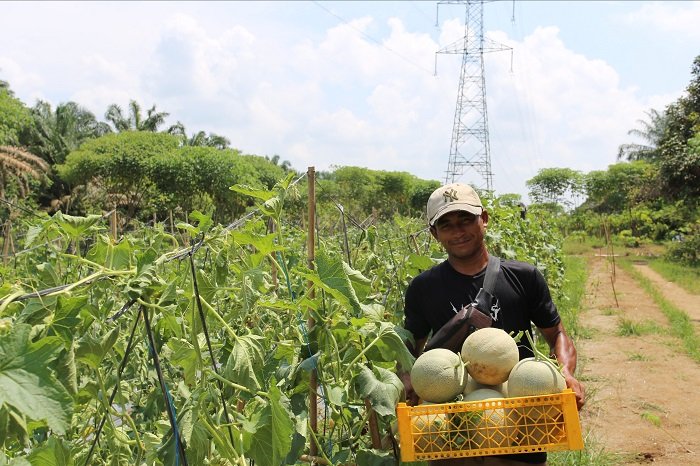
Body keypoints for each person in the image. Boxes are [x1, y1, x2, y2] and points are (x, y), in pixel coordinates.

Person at [398, 183, 585, 466]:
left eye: (466, 219)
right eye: (446, 224)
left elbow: (556, 331)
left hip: (520, 414)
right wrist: (407, 377)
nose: (458, 231)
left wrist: (566, 371)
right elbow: (410, 348)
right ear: (435, 234)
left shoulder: (524, 276)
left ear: (483, 219)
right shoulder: (423, 288)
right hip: (452, 425)